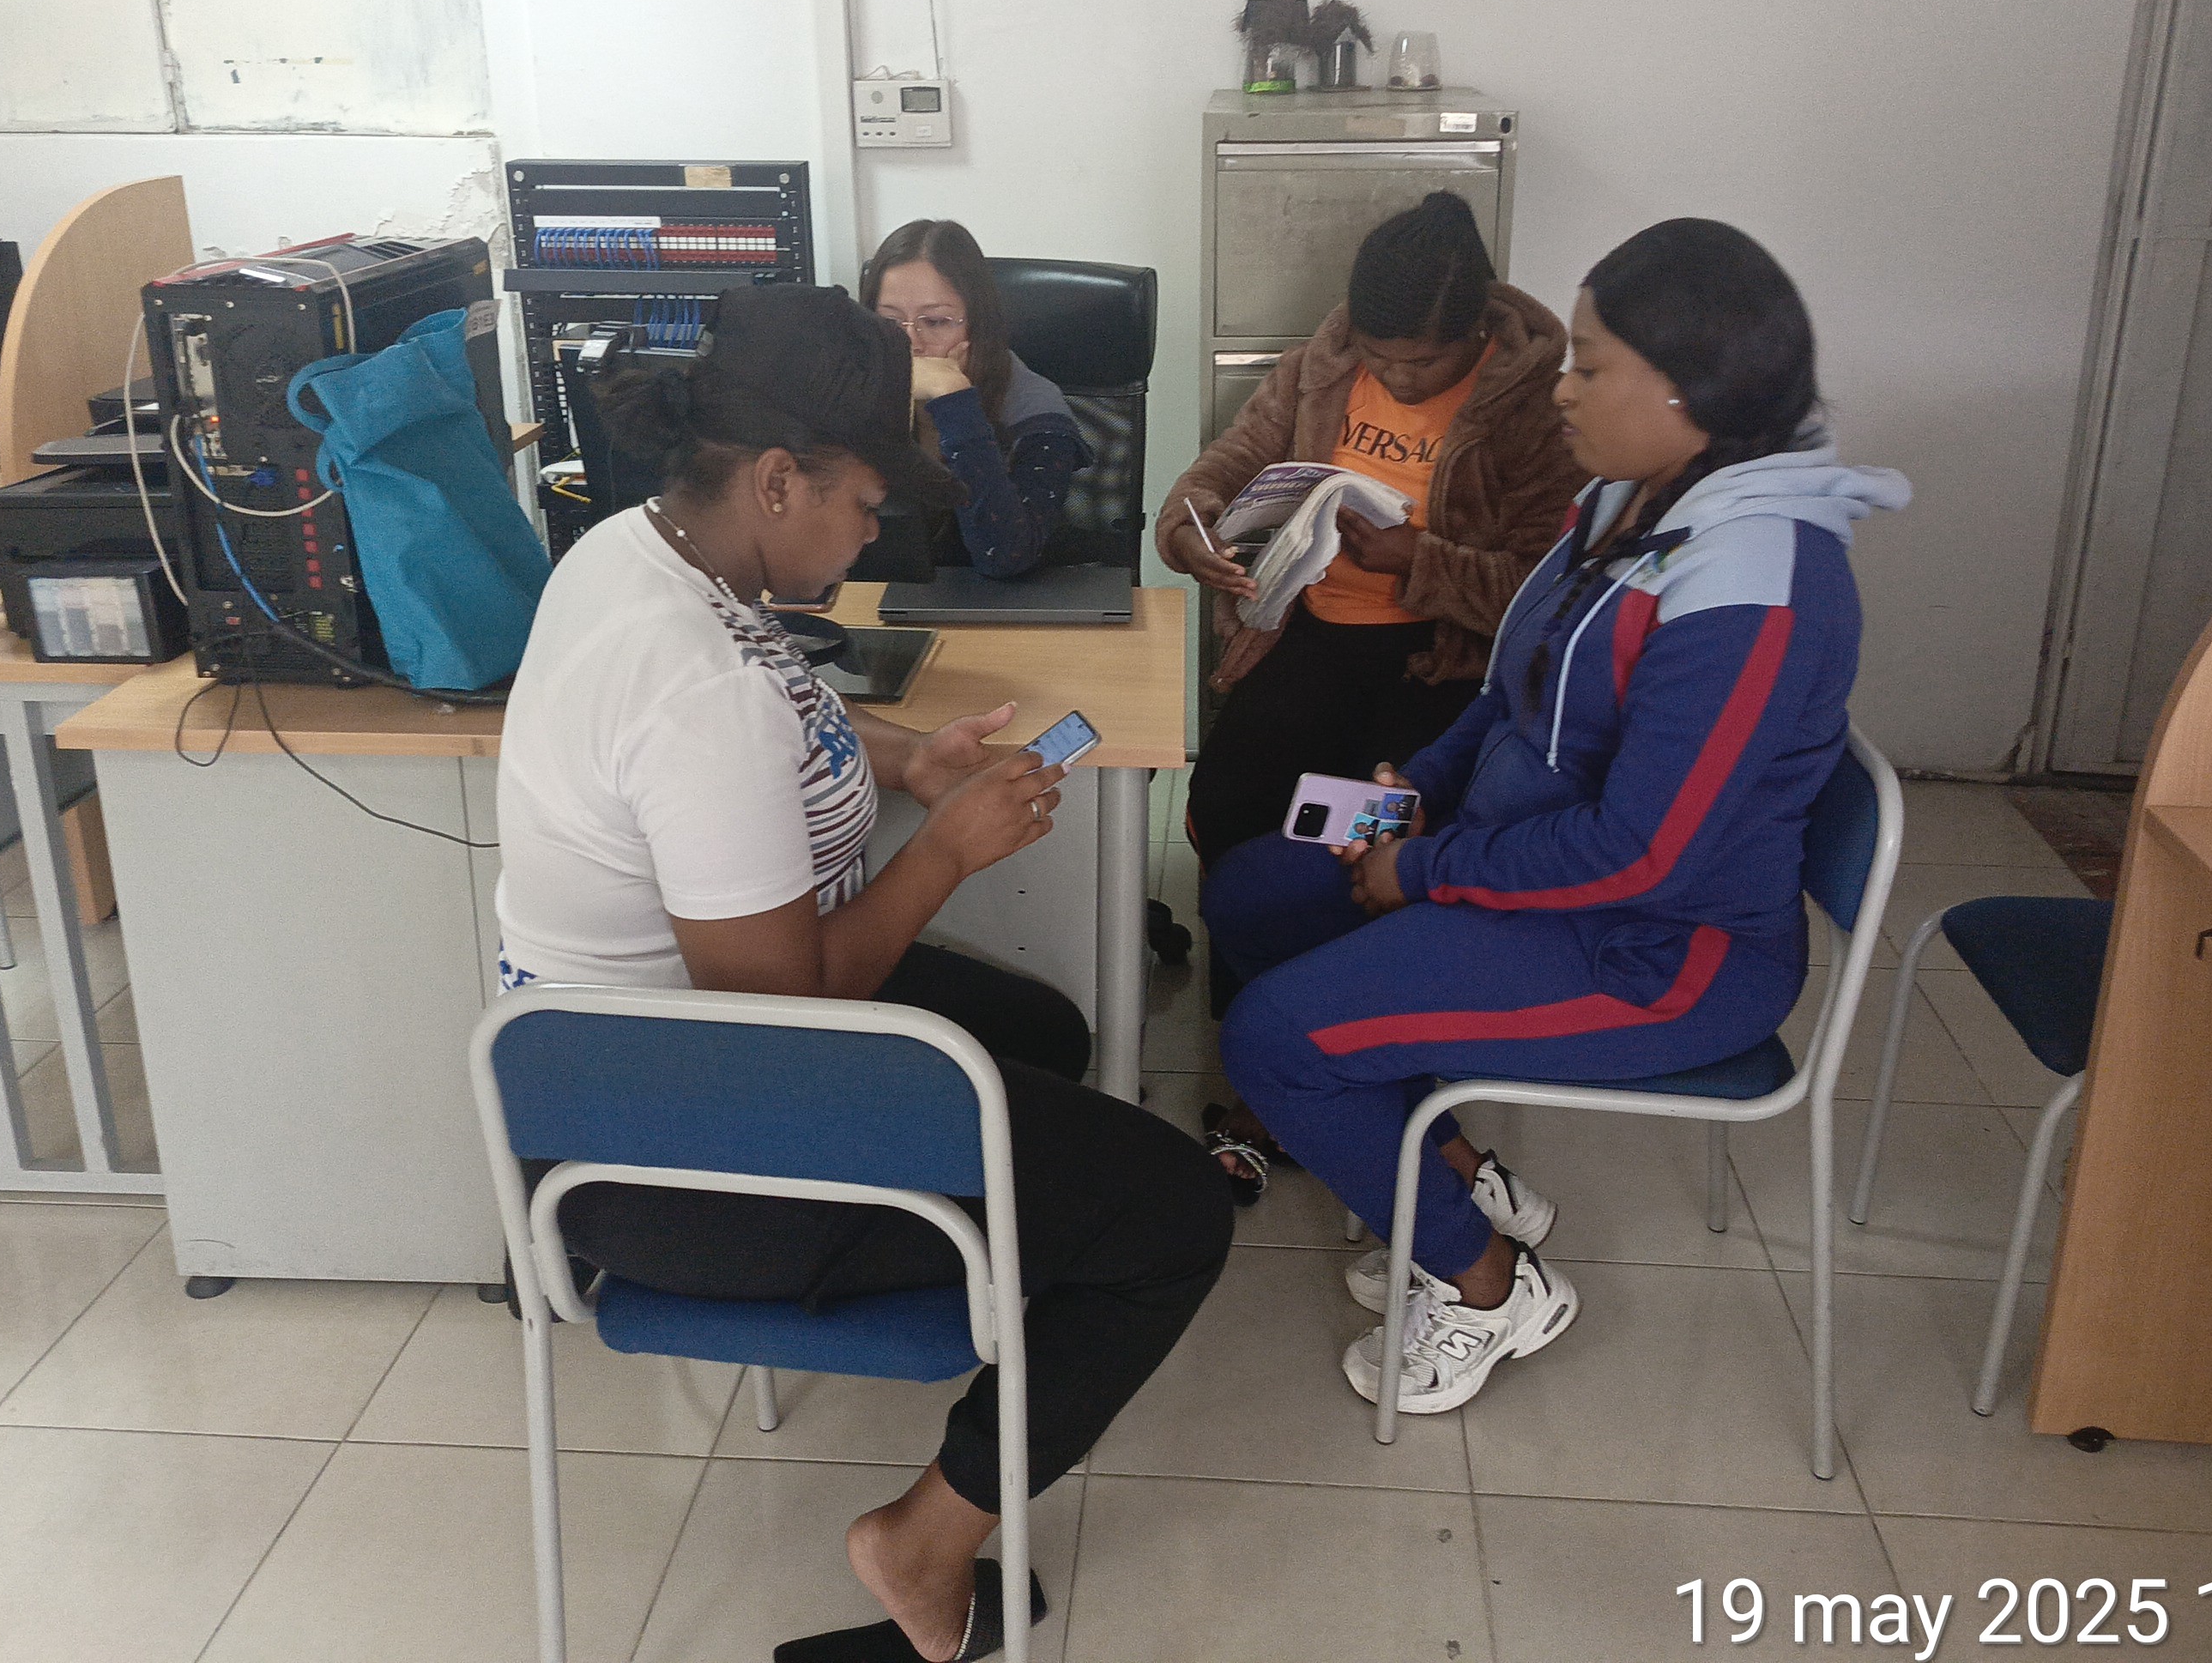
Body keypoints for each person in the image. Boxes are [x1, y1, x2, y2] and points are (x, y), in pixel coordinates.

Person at [493, 285, 1231, 1663]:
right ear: (778, 480)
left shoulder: (644, 552)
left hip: (626, 1078)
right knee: (1175, 1213)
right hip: (666, 1160)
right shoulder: (690, 682)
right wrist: (945, 850)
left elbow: (789, 701)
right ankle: (921, 1545)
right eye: (863, 506)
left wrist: (906, 762)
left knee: (1039, 1032)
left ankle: (981, 1302)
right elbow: (788, 1009)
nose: (875, 534)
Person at [1204, 219, 1910, 1416]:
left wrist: (1424, 868)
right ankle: (1457, 1174)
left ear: (1688, 389)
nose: (1562, 388)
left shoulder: (1759, 581)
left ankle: (1487, 1285)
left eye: (1589, 364)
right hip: (1516, 860)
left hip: (1659, 947)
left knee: (1276, 1040)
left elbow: (1646, 850)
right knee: (1254, 890)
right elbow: (1509, 692)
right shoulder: (1630, 503)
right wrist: (1416, 791)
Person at [1155, 189, 1586, 879]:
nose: (1397, 377)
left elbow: (1546, 587)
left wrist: (1418, 560)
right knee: (1228, 800)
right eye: (1377, 354)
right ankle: (1243, 930)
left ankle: (1338, 926)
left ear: (1477, 331)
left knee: (1363, 822)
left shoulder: (1534, 411)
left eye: (1423, 362)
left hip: (1440, 657)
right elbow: (1232, 459)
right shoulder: (1318, 372)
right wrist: (1190, 528)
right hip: (1312, 629)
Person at [861, 218, 1094, 578]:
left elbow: (1005, 556)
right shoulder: (855, 389)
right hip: (876, 600)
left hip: (998, 606)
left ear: (979, 324)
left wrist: (954, 402)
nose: (910, 343)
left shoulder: (1036, 412)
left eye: (935, 322)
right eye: (889, 323)